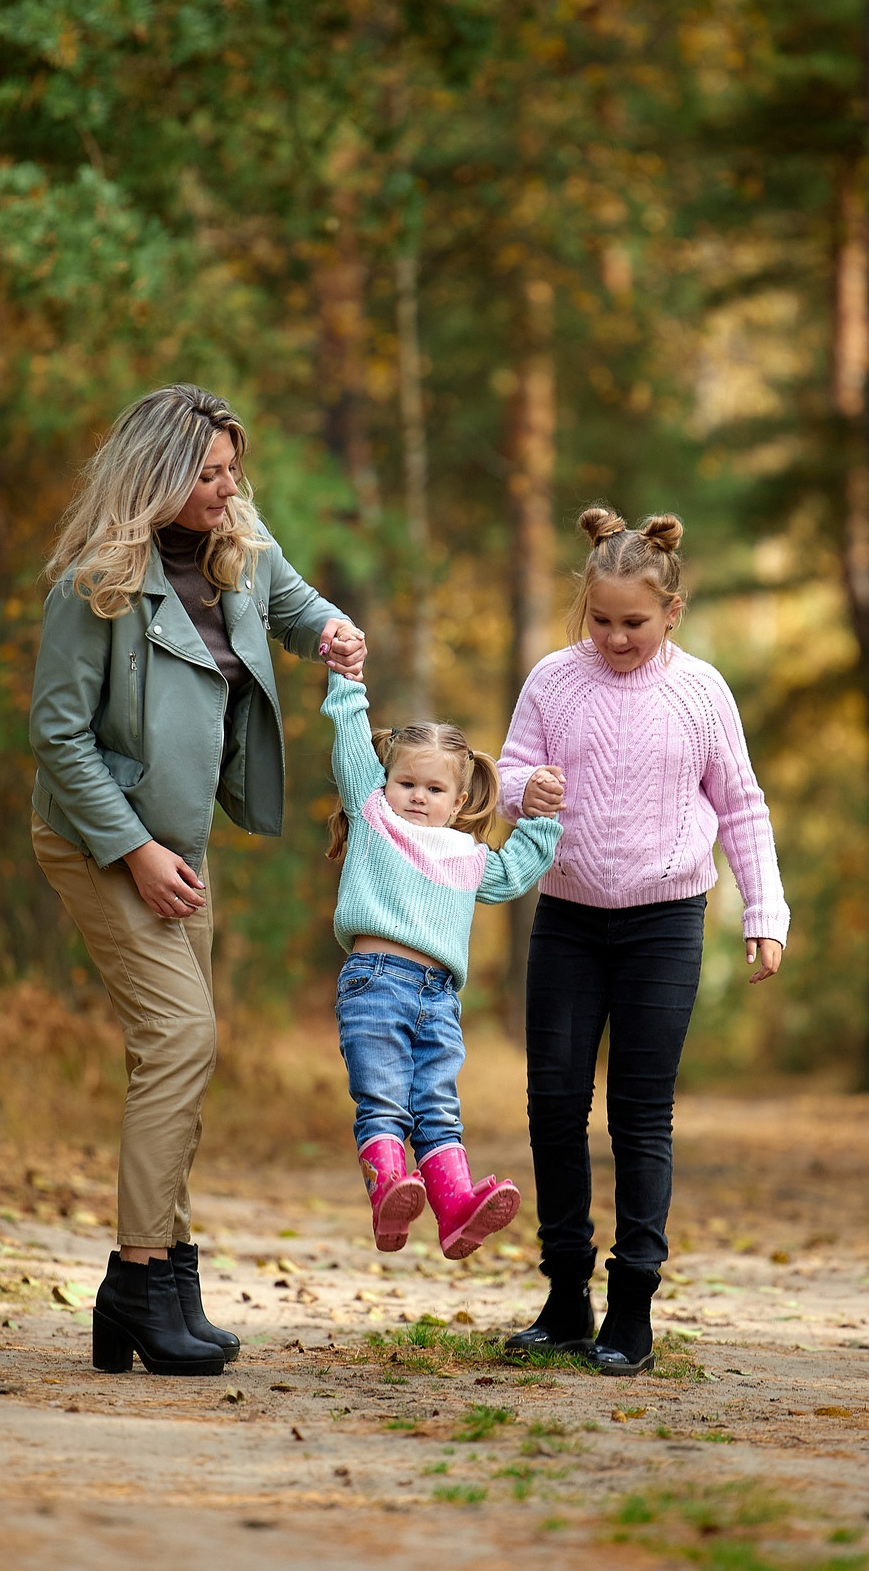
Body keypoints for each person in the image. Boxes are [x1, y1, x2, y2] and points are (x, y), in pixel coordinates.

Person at [29, 384, 365, 1377]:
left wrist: (335, 633)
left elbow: (302, 613)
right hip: (103, 845)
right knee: (182, 1037)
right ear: (159, 477)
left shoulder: (240, 553)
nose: (227, 489)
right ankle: (138, 1281)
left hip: (184, 848)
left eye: (230, 471)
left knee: (174, 1057)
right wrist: (131, 850)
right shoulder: (95, 586)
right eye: (208, 474)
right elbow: (55, 736)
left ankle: (166, 1273)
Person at [495, 508, 789, 1375]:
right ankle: (565, 1293)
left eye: (635, 621)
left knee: (639, 1111)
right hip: (568, 917)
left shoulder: (701, 692)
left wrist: (765, 913)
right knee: (553, 1101)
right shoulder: (553, 680)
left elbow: (741, 805)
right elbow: (508, 771)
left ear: (672, 611)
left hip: (666, 919)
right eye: (601, 620)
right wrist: (527, 786)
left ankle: (633, 1302)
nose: (617, 637)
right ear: (583, 608)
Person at [320, 670, 563, 1260]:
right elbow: (352, 745)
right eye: (406, 782)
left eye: (433, 789)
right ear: (386, 783)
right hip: (375, 984)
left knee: (437, 1105)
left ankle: (454, 1210)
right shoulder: (376, 820)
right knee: (383, 1098)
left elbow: (513, 876)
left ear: (458, 803)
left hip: (438, 1000)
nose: (417, 797)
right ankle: (389, 1193)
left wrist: (540, 818)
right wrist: (348, 680)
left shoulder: (464, 853)